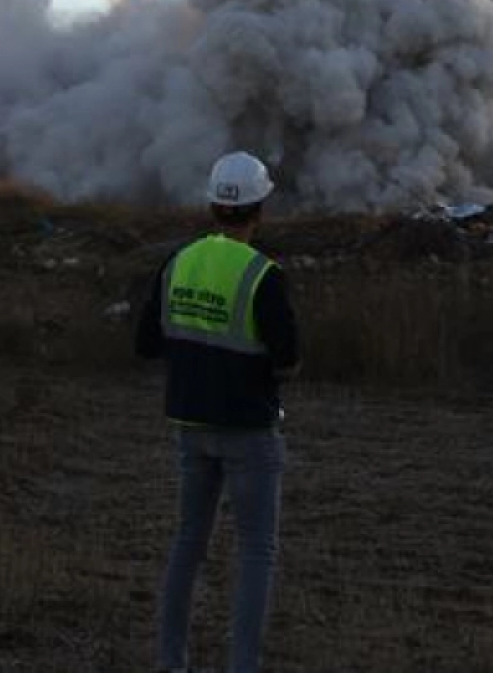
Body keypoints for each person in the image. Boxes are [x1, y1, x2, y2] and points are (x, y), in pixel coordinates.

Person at [135, 150, 300, 673]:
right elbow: (289, 358)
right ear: (260, 209)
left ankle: (171, 662)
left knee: (188, 544)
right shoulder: (262, 275)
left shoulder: (178, 262)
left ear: (212, 206)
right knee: (255, 551)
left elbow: (145, 344)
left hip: (190, 425)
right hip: (249, 429)